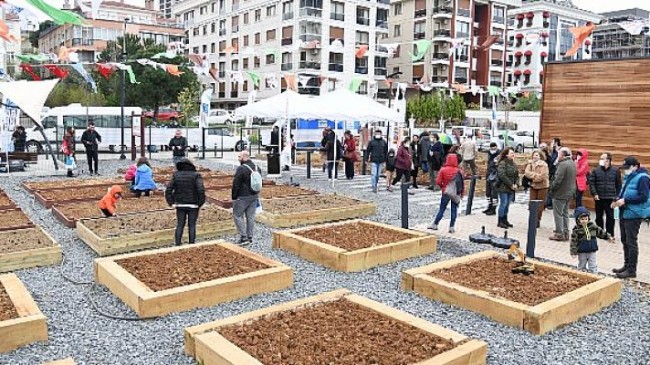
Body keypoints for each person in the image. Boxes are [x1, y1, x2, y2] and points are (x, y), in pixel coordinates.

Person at [611, 156, 650, 279]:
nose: (625, 170)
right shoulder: (630, 176)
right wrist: (617, 200)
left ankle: (632, 270)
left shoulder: (643, 178)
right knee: (624, 240)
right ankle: (626, 265)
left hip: (634, 214)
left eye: (628, 168)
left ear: (635, 166)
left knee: (631, 242)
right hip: (625, 212)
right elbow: (624, 192)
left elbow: (643, 197)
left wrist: (625, 200)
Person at [165, 158, 206, 246]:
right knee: (192, 225)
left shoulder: (176, 175)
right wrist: (200, 203)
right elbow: (201, 190)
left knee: (180, 224)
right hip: (193, 205)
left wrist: (171, 202)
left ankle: (177, 244)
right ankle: (191, 244)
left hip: (180, 204)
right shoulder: (196, 175)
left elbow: (168, 189)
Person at [570, 206, 614, 273]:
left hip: (592, 250)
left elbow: (600, 232)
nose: (584, 221)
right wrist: (573, 252)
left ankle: (594, 275)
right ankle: (581, 276)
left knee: (592, 265)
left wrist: (608, 237)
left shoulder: (593, 226)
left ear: (588, 218)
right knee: (582, 264)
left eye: (586, 219)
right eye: (582, 219)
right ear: (577, 220)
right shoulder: (576, 230)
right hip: (582, 251)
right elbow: (573, 242)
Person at [587, 152, 621, 239]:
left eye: (603, 158)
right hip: (599, 197)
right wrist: (594, 193)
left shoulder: (615, 170)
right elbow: (592, 183)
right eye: (601, 158)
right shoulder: (596, 170)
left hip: (610, 198)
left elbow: (618, 184)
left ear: (608, 160)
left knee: (610, 217)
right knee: (598, 216)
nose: (601, 160)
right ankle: (600, 233)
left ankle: (610, 234)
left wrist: (616, 197)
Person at [232, 150, 261, 244]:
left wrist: (234, 197)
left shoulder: (241, 168)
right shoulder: (257, 168)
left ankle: (243, 237)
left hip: (243, 196)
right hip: (254, 195)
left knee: (237, 215)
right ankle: (250, 236)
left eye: (239, 156)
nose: (238, 158)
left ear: (244, 157)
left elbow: (236, 184)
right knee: (250, 217)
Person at [429, 154, 463, 233]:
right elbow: (461, 184)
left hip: (446, 192)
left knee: (442, 209)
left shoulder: (443, 169)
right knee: (454, 210)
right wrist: (461, 193)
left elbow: (438, 181)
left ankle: (435, 224)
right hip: (455, 193)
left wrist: (443, 187)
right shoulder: (459, 171)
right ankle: (451, 227)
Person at [549, 147, 577, 241]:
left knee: (558, 214)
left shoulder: (563, 164)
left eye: (559, 154)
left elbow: (558, 180)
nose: (558, 156)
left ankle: (559, 233)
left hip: (561, 192)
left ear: (563, 155)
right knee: (565, 213)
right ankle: (565, 233)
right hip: (569, 192)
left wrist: (552, 188)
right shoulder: (572, 163)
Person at [524, 150, 549, 228]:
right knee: (531, 203)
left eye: (537, 155)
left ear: (540, 156)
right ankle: (532, 219)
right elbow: (526, 173)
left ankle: (537, 220)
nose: (535, 156)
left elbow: (542, 176)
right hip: (533, 186)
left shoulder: (544, 165)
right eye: (534, 155)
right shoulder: (530, 164)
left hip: (542, 187)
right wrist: (535, 175)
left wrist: (533, 178)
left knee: (540, 205)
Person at [496, 147, 519, 229]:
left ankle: (505, 219)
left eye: (513, 153)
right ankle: (500, 221)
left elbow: (517, 175)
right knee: (503, 203)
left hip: (511, 188)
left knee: (507, 205)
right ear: (506, 155)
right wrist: (510, 184)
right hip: (503, 187)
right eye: (511, 153)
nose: (513, 154)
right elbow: (502, 175)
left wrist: (516, 184)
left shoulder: (513, 164)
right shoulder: (502, 163)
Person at [483, 142, 500, 216]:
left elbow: (497, 166)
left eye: (494, 148)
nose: (493, 149)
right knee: (488, 193)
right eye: (491, 148)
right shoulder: (489, 154)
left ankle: (493, 209)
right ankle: (489, 207)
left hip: (495, 175)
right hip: (488, 175)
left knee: (494, 193)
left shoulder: (499, 155)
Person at [546, 138, 562, 209]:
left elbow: (556, 162)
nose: (551, 143)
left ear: (556, 143)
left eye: (552, 142)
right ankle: (549, 203)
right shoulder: (553, 151)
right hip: (551, 172)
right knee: (550, 188)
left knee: (553, 188)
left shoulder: (559, 151)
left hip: (555, 173)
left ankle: (551, 204)